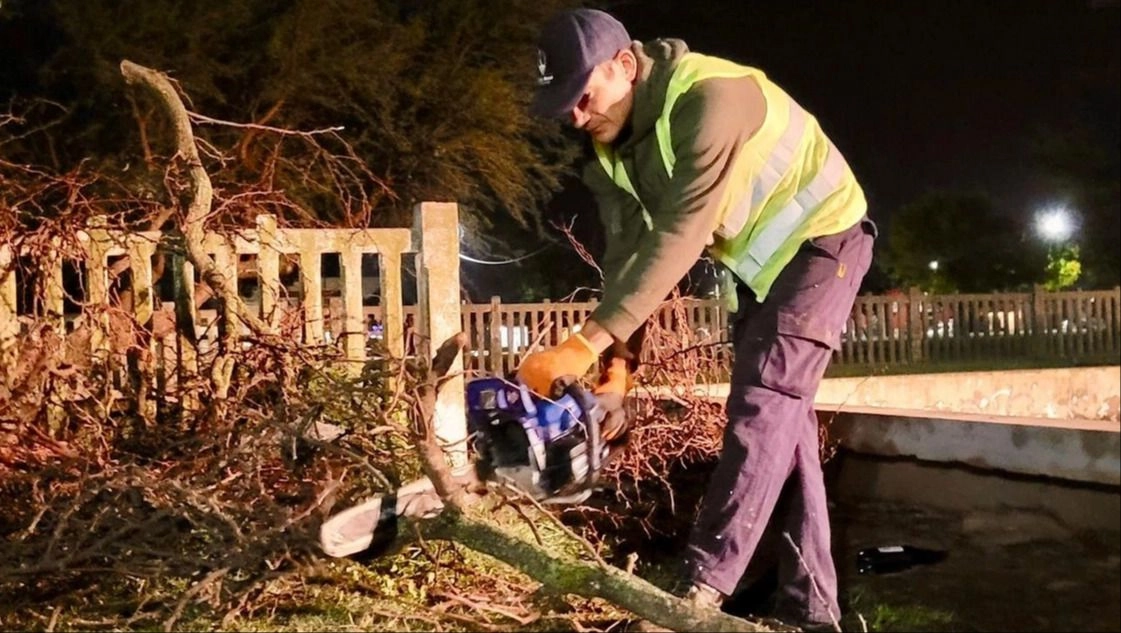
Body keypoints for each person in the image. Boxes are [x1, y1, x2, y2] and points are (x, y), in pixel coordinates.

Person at [516, 8, 876, 630]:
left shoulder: (711, 100)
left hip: (825, 240)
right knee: (783, 428)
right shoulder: (612, 151)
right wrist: (617, 375)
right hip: (763, 268)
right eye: (563, 106)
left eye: (583, 95)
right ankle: (812, 613)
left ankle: (697, 593)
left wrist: (581, 343)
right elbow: (629, 262)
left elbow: (682, 234)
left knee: (762, 407)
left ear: (624, 66)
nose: (575, 116)